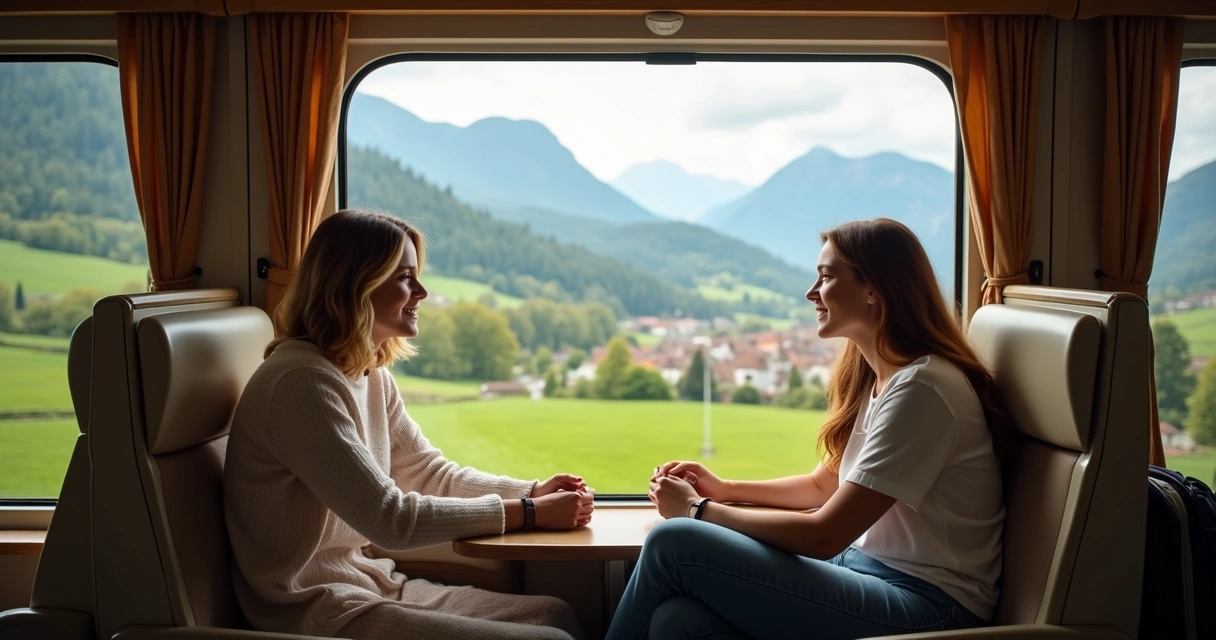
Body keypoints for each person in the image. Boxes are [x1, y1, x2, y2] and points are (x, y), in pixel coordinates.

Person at [605, 218, 1016, 640]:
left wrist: (696, 511)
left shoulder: (925, 389)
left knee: (673, 542)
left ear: (874, 289)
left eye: (826, 277)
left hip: (930, 605)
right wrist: (723, 489)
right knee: (675, 622)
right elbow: (825, 486)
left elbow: (825, 534)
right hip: (864, 569)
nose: (811, 292)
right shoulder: (883, 377)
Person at [224, 209, 593, 640]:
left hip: (371, 585)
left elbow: (428, 473)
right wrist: (528, 514)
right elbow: (391, 520)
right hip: (313, 610)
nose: (422, 292)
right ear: (354, 285)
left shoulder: (370, 374)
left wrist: (529, 491)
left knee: (554, 615)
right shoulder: (301, 384)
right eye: (404, 278)